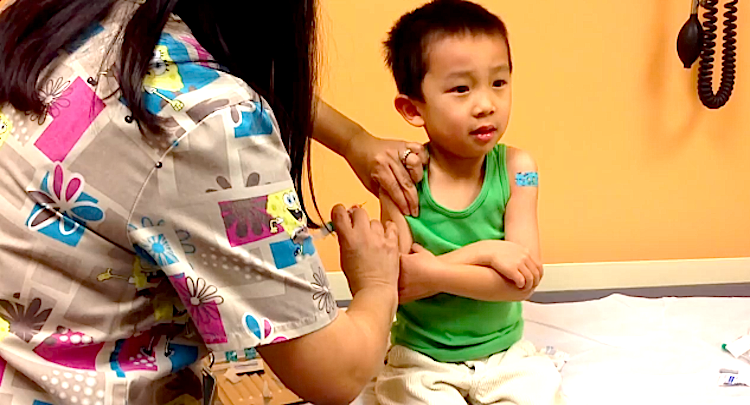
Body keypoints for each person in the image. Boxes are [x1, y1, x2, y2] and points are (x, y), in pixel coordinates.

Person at [0, 1, 428, 404]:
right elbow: (335, 373)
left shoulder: (70, 21)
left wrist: (353, 139)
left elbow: (222, 74)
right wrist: (376, 282)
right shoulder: (206, 120)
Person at [376, 1, 566, 404]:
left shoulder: (519, 169)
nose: (486, 104)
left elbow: (522, 281)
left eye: (499, 82)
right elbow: (400, 283)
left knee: (540, 392)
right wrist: (487, 252)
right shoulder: (402, 179)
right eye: (461, 89)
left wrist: (435, 272)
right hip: (422, 359)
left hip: (506, 357)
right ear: (413, 108)